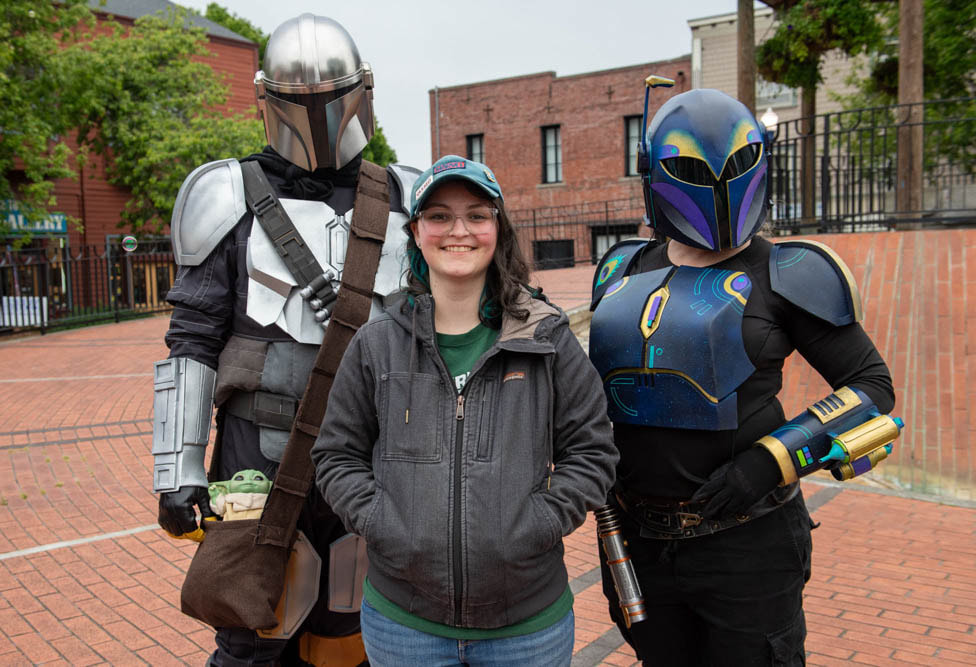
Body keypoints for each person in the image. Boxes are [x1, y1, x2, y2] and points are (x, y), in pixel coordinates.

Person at [588, 88, 898, 666]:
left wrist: (771, 461)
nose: (714, 186)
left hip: (748, 543)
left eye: (733, 165)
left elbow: (871, 387)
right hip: (638, 540)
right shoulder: (621, 269)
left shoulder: (788, 271)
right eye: (691, 170)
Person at [151, 13, 420, 667]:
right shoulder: (222, 194)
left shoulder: (410, 196)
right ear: (268, 98)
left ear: (362, 91)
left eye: (333, 98)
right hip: (257, 457)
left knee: (348, 638)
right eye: (302, 100)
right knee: (253, 632)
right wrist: (178, 469)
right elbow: (192, 339)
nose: (319, 115)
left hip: (372, 455)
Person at [311, 155, 618, 666]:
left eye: (476, 215)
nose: (459, 231)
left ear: (498, 229)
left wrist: (539, 522)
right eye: (439, 216)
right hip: (404, 626)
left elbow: (593, 451)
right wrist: (382, 522)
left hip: (527, 628)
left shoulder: (546, 338)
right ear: (416, 232)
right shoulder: (376, 343)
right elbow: (336, 455)